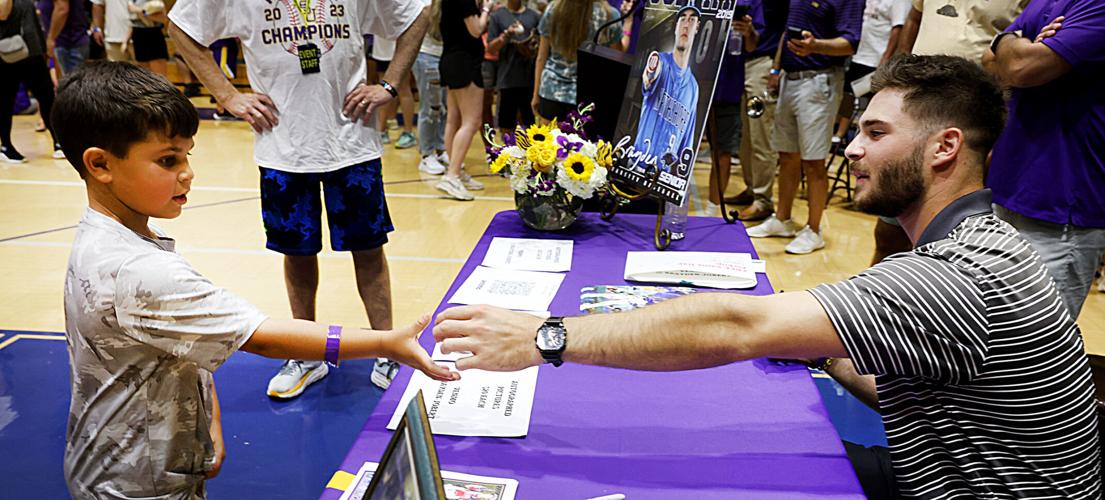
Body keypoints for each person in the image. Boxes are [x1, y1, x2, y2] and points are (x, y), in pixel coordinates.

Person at [431, 55, 1102, 499]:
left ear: (944, 147)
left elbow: (737, 323)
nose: (851, 147)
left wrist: (547, 337)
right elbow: (929, 386)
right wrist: (827, 355)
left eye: (873, 132)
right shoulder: (979, 244)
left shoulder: (957, 275)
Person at [52, 62, 455, 499]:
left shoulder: (110, 237)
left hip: (127, 459)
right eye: (168, 160)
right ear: (100, 164)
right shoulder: (138, 270)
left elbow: (176, 342)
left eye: (187, 156)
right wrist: (384, 342)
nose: (187, 172)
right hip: (137, 484)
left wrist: (211, 417)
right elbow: (261, 338)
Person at [169, 0, 428, 398]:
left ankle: (389, 348)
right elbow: (180, 28)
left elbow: (417, 13)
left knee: (369, 248)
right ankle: (307, 355)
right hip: (283, 146)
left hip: (351, 142)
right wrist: (226, 94)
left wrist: (390, 85)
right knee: (298, 253)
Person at [873, 0, 1029, 265]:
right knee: (889, 232)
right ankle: (872, 299)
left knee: (948, 232)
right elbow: (913, 19)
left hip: (972, 115)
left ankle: (930, 297)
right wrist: (901, 69)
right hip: (916, 108)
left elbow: (1018, 55)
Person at [982, 0, 1105, 318]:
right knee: (990, 331)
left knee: (1035, 345)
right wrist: (1013, 49)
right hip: (1008, 189)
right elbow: (989, 63)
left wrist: (1006, 42)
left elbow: (1020, 68)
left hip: (1063, 204)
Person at [745, 0, 863, 255]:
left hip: (820, 81)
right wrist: (776, 68)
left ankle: (814, 229)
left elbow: (850, 43)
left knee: (814, 160)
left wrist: (815, 45)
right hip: (790, 77)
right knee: (787, 155)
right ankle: (782, 218)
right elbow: (789, 31)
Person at [730, 0, 788, 221]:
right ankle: (752, 188)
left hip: (763, 64)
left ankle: (763, 199)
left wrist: (776, 68)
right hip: (740, 63)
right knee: (746, 136)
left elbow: (786, 31)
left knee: (761, 136)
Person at [706, 3, 763, 211]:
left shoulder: (752, 3)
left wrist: (748, 32)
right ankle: (668, 204)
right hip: (692, 79)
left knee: (722, 152)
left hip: (727, 85)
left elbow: (752, 45)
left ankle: (713, 209)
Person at [631, 5, 701, 172]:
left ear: (697, 27)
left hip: (663, 175)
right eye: (682, 19)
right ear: (675, 27)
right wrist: (649, 77)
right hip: (637, 165)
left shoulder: (694, 87)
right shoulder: (659, 61)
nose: (686, 24)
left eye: (692, 20)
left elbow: (687, 140)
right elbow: (648, 79)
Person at [831, 0, 910, 145]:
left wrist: (886, 57)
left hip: (876, 58)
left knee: (870, 100)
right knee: (848, 95)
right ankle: (839, 133)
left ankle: (864, 136)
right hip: (858, 55)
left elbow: (898, 28)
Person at [435, 0, 491, 201]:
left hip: (451, 60)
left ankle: (455, 170)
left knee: (454, 120)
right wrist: (486, 9)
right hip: (464, 63)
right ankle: (452, 176)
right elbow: (476, 30)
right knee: (472, 121)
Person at [532, 0, 621, 123]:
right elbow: (615, 61)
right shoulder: (610, 15)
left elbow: (541, 57)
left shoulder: (553, 9)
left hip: (551, 92)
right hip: (589, 98)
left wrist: (535, 94)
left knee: (548, 141)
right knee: (583, 142)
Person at [0, 0, 64, 162]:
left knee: (47, 97)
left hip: (32, 52)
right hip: (8, 54)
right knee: (6, 101)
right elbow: (3, 12)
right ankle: (6, 146)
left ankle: (59, 143)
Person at [486, 0, 539, 131]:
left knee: (530, 126)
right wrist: (506, 35)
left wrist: (530, 47)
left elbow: (541, 45)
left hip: (530, 79)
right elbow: (491, 48)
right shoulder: (497, 16)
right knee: (506, 126)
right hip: (507, 78)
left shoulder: (535, 16)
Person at [413, 8, 449, 175]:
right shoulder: (427, 5)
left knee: (445, 108)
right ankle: (427, 154)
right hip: (428, 55)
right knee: (430, 108)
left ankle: (441, 149)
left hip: (447, 56)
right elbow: (435, 30)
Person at [41, 0, 90, 74]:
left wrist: (51, 38)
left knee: (73, 82)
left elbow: (62, 9)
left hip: (69, 44)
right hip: (65, 43)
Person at [127, 0, 169, 76]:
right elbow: (133, 23)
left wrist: (142, 11)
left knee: (159, 72)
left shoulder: (156, 2)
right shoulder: (133, 1)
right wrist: (125, 41)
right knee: (143, 72)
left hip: (153, 34)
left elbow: (164, 19)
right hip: (138, 34)